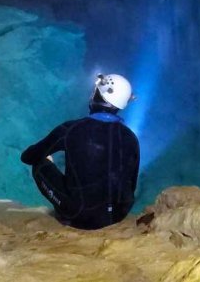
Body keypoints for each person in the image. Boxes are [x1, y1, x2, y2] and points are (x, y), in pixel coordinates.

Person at [21, 73, 140, 229]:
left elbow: (28, 157)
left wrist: (46, 157)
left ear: (97, 94)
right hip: (119, 214)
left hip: (79, 215)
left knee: (39, 163)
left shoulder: (71, 129)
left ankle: (67, 211)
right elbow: (132, 184)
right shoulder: (131, 138)